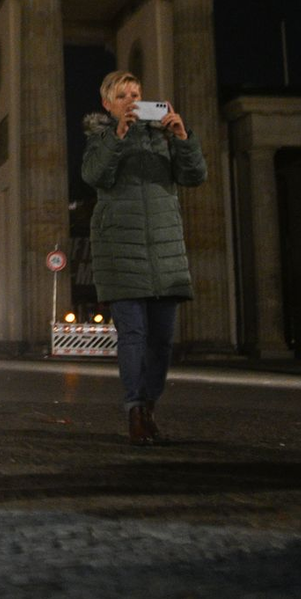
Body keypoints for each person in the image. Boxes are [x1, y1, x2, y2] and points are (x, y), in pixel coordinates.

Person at [81, 70, 207, 446]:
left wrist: (183, 137)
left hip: (163, 250)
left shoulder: (165, 139)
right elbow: (94, 175)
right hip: (121, 249)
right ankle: (135, 409)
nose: (131, 101)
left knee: (162, 341)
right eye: (123, 96)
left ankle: (149, 405)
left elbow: (195, 176)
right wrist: (119, 137)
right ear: (108, 104)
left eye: (136, 94)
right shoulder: (101, 139)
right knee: (133, 335)